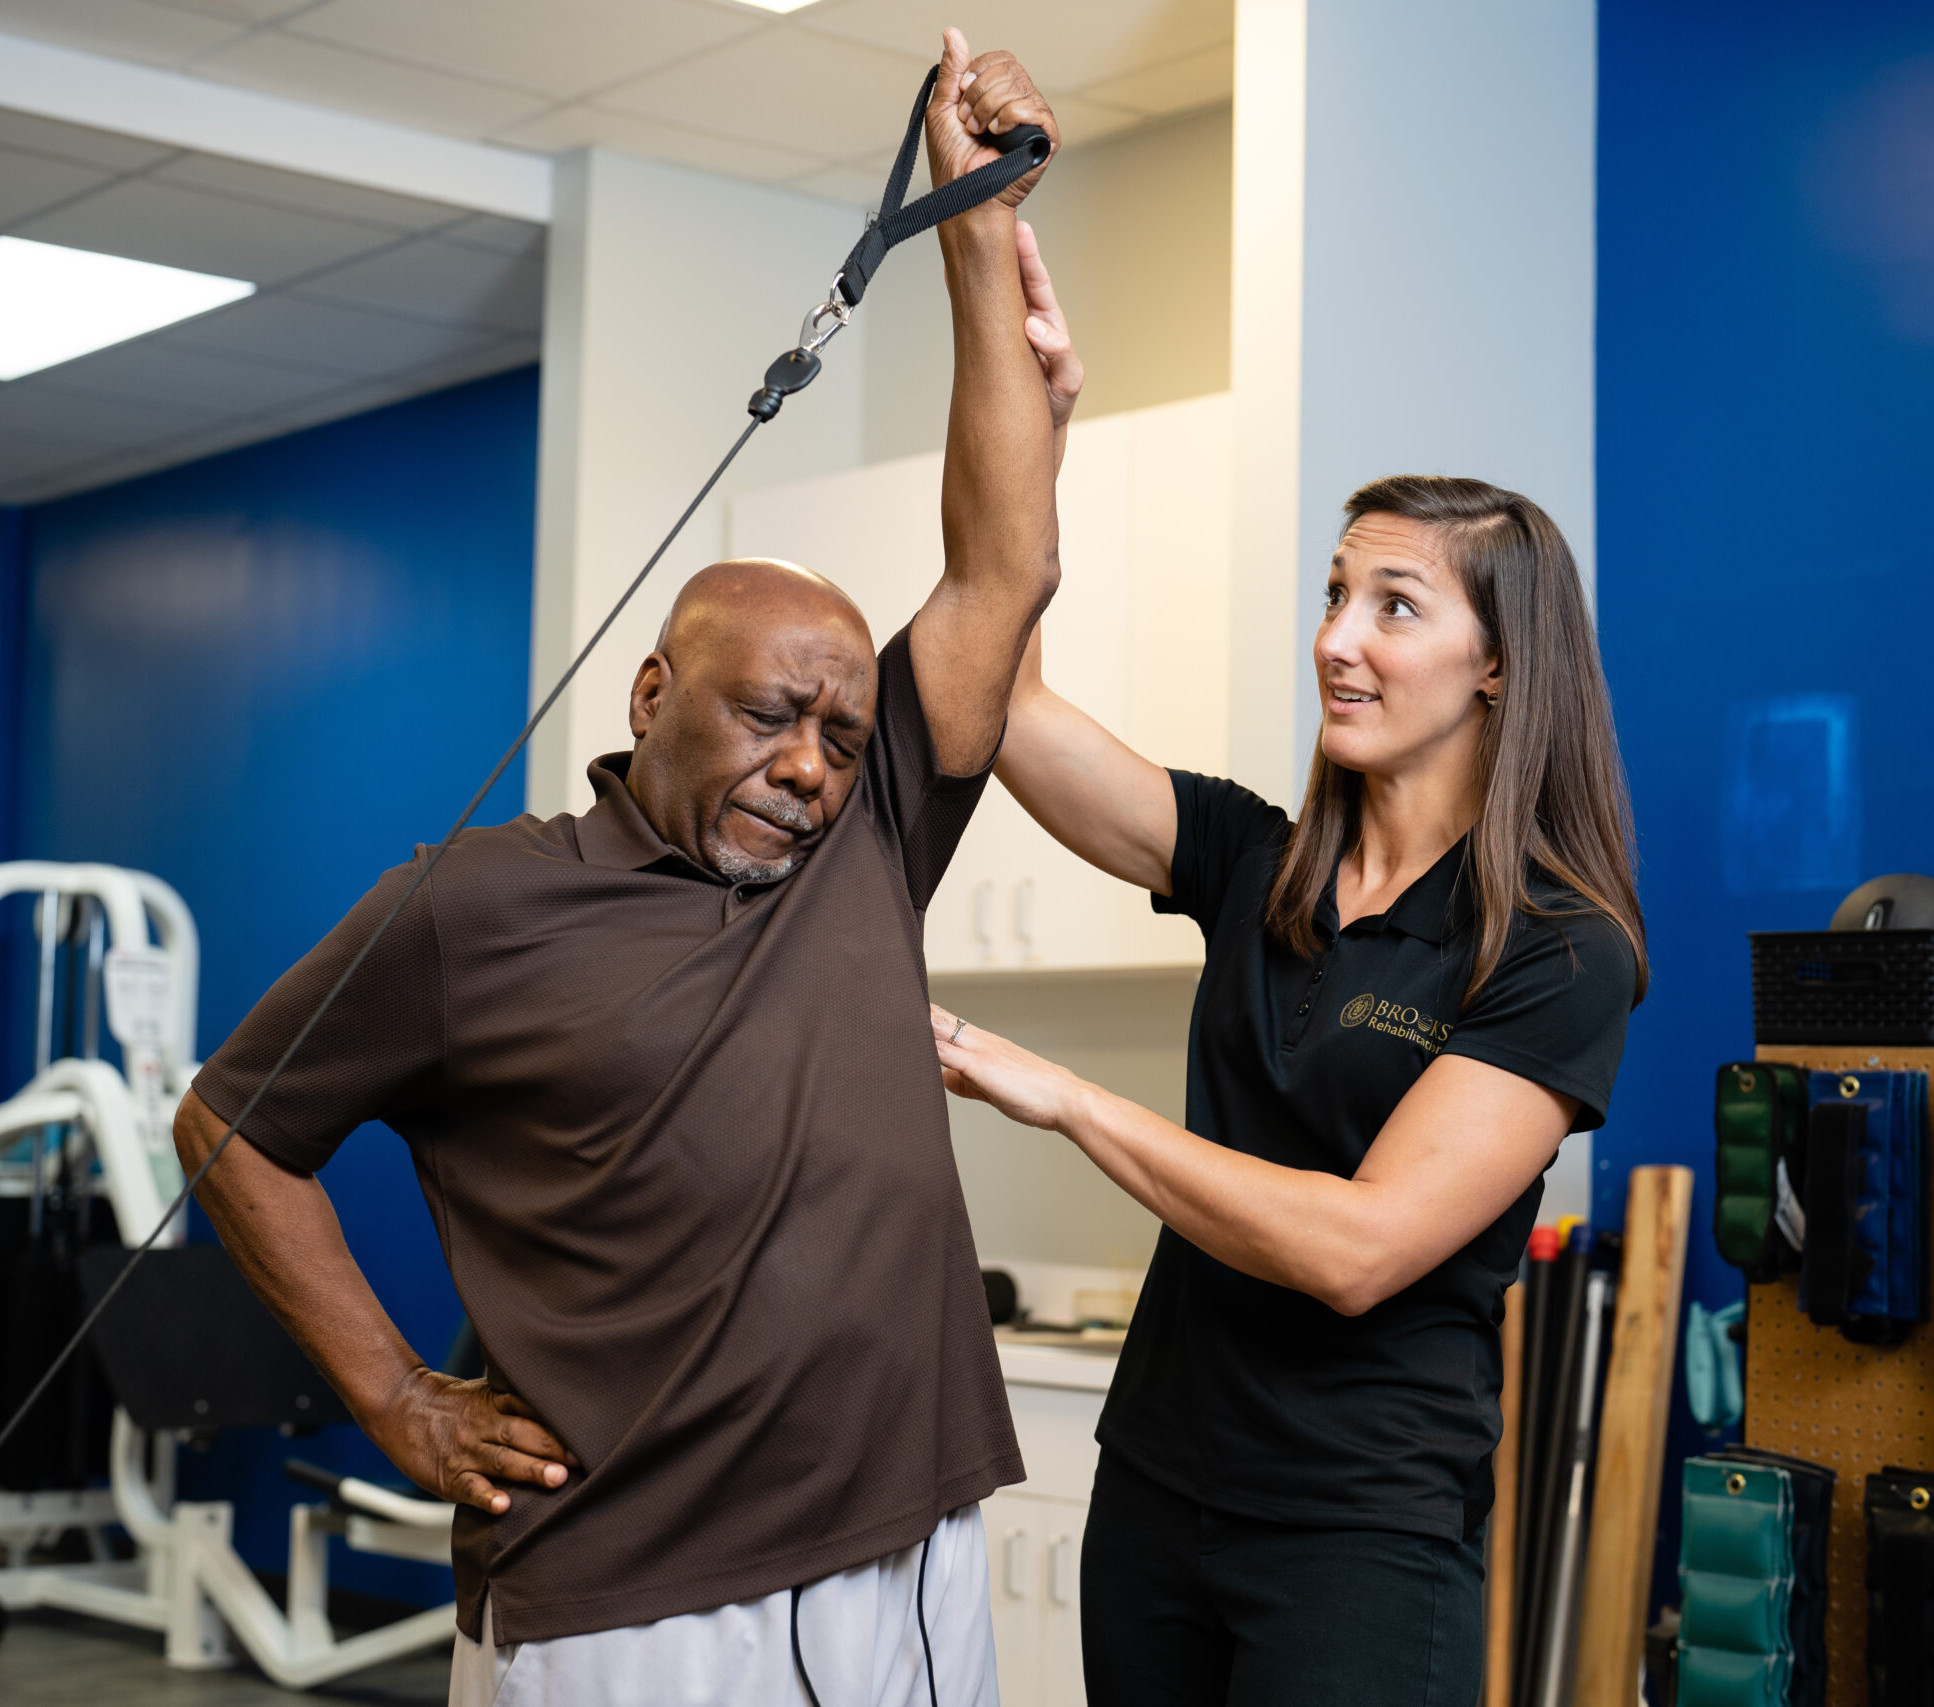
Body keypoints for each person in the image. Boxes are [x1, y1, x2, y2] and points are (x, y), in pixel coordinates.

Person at [173, 32, 1061, 1707]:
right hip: (629, 1598)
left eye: (843, 735)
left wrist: (973, 222)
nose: (811, 765)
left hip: (909, 1550)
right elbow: (231, 1126)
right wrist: (395, 1397)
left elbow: (1004, 564)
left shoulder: (863, 848)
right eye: (771, 716)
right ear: (653, 697)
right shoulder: (469, 903)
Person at [927, 250, 1649, 1706]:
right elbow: (991, 693)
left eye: (1395, 608)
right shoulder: (1260, 865)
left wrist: (1069, 1100)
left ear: (1499, 666)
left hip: (1357, 1535)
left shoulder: (1560, 950)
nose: (1336, 641)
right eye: (1336, 595)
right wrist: (1028, 408)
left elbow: (1358, 1249)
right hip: (1157, 1490)